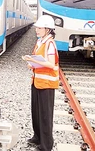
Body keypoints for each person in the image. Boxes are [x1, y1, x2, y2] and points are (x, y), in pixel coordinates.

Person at [22, 15, 59, 151]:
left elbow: (50, 64)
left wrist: (34, 61)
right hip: (37, 82)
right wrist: (31, 63)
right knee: (36, 112)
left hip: (47, 85)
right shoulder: (40, 42)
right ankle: (37, 137)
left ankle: (46, 145)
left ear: (48, 29)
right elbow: (38, 60)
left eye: (39, 28)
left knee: (45, 115)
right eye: (37, 27)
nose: (36, 30)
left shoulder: (50, 44)